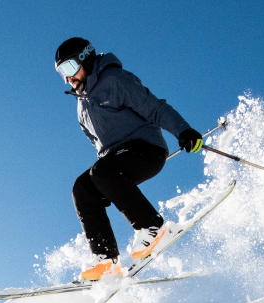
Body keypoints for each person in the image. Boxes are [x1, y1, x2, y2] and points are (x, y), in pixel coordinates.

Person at [55, 37, 204, 281]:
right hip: (115, 162)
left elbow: (155, 108)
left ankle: (152, 228)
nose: (68, 77)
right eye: (61, 72)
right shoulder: (81, 107)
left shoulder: (114, 80)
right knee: (83, 188)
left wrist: (183, 130)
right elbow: (99, 148)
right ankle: (106, 261)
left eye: (70, 68)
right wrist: (106, 183)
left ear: (86, 60)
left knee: (101, 173)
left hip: (146, 149)